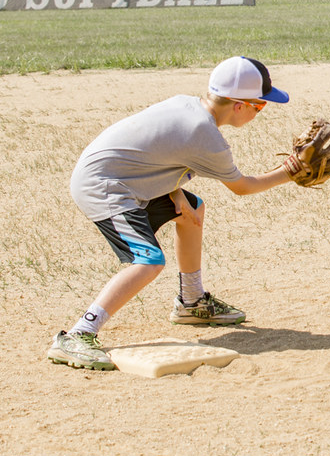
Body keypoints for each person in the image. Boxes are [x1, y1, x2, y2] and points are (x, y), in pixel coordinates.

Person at [47, 56, 294, 371]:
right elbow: (243, 186)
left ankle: (191, 301)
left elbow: (154, 151)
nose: (260, 112)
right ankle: (78, 334)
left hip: (120, 176)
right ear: (238, 105)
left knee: (193, 209)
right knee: (148, 261)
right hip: (106, 187)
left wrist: (175, 191)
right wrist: (292, 172)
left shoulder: (187, 106)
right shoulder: (206, 136)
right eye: (259, 106)